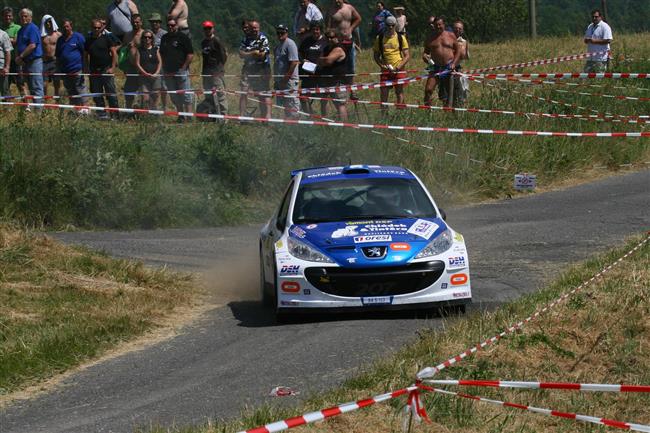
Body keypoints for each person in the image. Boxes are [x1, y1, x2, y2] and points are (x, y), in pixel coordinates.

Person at [422, 16, 462, 107]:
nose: (438, 27)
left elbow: (458, 51)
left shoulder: (451, 35)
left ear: (444, 25)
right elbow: (425, 53)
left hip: (448, 67)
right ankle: (427, 113)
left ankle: (452, 113)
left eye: (440, 24)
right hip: (435, 67)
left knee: (450, 93)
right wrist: (425, 57)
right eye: (436, 25)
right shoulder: (430, 38)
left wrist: (454, 63)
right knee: (428, 90)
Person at [85, 18, 119, 119]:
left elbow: (114, 53)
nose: (96, 29)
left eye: (98, 28)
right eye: (94, 27)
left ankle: (115, 115)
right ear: (91, 28)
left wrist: (112, 67)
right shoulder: (88, 40)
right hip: (94, 70)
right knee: (96, 93)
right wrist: (86, 67)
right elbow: (85, 55)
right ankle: (102, 114)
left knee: (111, 93)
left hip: (106, 69)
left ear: (102, 28)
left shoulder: (107, 38)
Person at [373, 15, 409, 111]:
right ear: (385, 25)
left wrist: (399, 67)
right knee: (384, 93)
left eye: (392, 25)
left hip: (399, 69)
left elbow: (407, 55)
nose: (390, 27)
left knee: (399, 92)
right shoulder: (379, 38)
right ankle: (384, 115)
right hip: (385, 71)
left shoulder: (401, 38)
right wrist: (382, 65)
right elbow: (376, 55)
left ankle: (400, 113)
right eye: (388, 25)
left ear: (395, 25)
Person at [326, 0, 361, 98]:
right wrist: (332, 36)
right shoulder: (331, 10)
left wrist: (351, 28)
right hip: (338, 42)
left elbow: (358, 19)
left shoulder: (349, 8)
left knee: (351, 67)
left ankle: (352, 90)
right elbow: (327, 28)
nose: (337, 1)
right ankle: (337, 88)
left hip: (349, 41)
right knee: (339, 68)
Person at [159, 18, 193, 120]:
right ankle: (181, 116)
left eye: (172, 25)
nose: (170, 27)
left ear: (177, 26)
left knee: (185, 95)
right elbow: (161, 53)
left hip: (180, 70)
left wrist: (184, 67)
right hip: (168, 71)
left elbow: (190, 54)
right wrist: (162, 67)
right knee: (174, 96)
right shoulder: (164, 38)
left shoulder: (183, 37)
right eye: (168, 25)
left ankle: (189, 117)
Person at [238, 19, 271, 118]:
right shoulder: (246, 39)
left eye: (256, 28)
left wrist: (248, 54)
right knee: (243, 92)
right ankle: (242, 116)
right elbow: (240, 53)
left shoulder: (263, 38)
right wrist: (253, 53)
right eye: (252, 28)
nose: (254, 30)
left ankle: (266, 117)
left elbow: (262, 55)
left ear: (259, 28)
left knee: (263, 94)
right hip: (248, 69)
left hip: (262, 69)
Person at [317, 28, 348, 121]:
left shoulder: (339, 48)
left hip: (338, 81)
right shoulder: (326, 48)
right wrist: (321, 60)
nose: (329, 39)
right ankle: (325, 125)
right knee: (323, 102)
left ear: (337, 37)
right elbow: (321, 60)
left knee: (340, 104)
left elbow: (328, 61)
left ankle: (344, 128)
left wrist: (321, 59)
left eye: (331, 37)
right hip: (327, 80)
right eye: (327, 37)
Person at [15, 8, 44, 108]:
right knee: (31, 87)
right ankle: (35, 111)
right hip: (25, 62)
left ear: (30, 17)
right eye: (21, 16)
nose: (23, 18)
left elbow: (32, 45)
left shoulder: (33, 28)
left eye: (25, 16)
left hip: (34, 62)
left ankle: (40, 112)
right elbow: (19, 46)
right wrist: (20, 59)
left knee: (36, 87)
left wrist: (21, 56)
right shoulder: (20, 30)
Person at [55, 18, 87, 107]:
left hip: (77, 69)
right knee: (70, 90)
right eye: (64, 27)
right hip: (65, 70)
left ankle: (85, 108)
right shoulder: (60, 40)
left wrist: (85, 67)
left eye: (67, 26)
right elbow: (58, 55)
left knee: (80, 89)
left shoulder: (78, 37)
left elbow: (84, 52)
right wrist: (58, 69)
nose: (65, 28)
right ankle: (75, 109)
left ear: (71, 26)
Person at [199, 20, 228, 115]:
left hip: (216, 73)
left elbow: (224, 56)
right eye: (205, 28)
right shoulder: (203, 42)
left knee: (220, 95)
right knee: (208, 95)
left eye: (209, 28)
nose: (207, 30)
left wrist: (219, 69)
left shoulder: (216, 41)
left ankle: (224, 115)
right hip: (206, 73)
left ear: (213, 29)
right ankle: (213, 114)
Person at [298, 20, 327, 114]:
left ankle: (324, 118)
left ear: (321, 30)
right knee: (303, 97)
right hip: (308, 73)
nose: (315, 32)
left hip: (321, 74)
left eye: (317, 29)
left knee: (323, 99)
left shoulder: (325, 41)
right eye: (313, 30)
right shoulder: (306, 41)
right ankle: (311, 115)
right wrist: (303, 60)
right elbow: (299, 53)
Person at [274, 24, 300, 118]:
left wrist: (286, 78)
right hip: (281, 80)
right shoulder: (278, 46)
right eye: (278, 33)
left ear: (286, 33)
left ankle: (296, 124)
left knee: (292, 104)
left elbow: (294, 62)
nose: (280, 35)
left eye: (282, 33)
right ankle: (289, 125)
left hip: (290, 80)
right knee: (285, 104)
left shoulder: (290, 44)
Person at [134, 29, 161, 109]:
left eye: (149, 37)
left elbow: (160, 62)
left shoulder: (156, 49)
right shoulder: (139, 50)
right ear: (142, 38)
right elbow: (137, 64)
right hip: (143, 76)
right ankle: (146, 114)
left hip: (155, 76)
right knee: (145, 96)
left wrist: (156, 73)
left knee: (156, 95)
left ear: (152, 38)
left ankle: (154, 112)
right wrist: (145, 73)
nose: (147, 39)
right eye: (145, 37)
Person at [2, 7, 25, 96]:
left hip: (15, 60)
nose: (7, 17)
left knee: (20, 83)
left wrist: (4, 39)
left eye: (9, 16)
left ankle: (26, 105)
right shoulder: (2, 28)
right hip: (4, 61)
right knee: (5, 85)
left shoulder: (17, 27)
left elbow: (16, 41)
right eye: (5, 16)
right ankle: (7, 107)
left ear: (12, 17)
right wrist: (9, 39)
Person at [123, 14, 143, 109]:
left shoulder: (145, 34)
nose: (135, 24)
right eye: (133, 22)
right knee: (129, 90)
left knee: (144, 90)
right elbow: (123, 51)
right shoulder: (127, 35)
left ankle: (145, 111)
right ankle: (128, 110)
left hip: (143, 67)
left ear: (141, 22)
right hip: (131, 66)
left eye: (137, 22)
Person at [40, 15, 61, 97]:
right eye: (46, 22)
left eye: (49, 22)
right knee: (44, 83)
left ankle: (57, 98)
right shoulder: (41, 36)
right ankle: (45, 100)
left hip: (55, 61)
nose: (48, 24)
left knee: (56, 82)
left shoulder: (58, 35)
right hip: (44, 62)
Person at [452, 19, 469, 105]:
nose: (457, 30)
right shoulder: (448, 40)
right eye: (455, 28)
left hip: (459, 69)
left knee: (461, 92)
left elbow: (464, 56)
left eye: (460, 28)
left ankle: (459, 111)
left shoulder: (464, 42)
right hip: (447, 68)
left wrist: (460, 49)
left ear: (462, 31)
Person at [0, 26, 11, 96]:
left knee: (4, 89)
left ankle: (7, 106)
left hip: (1, 67)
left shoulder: (3, 34)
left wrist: (7, 67)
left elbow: (7, 52)